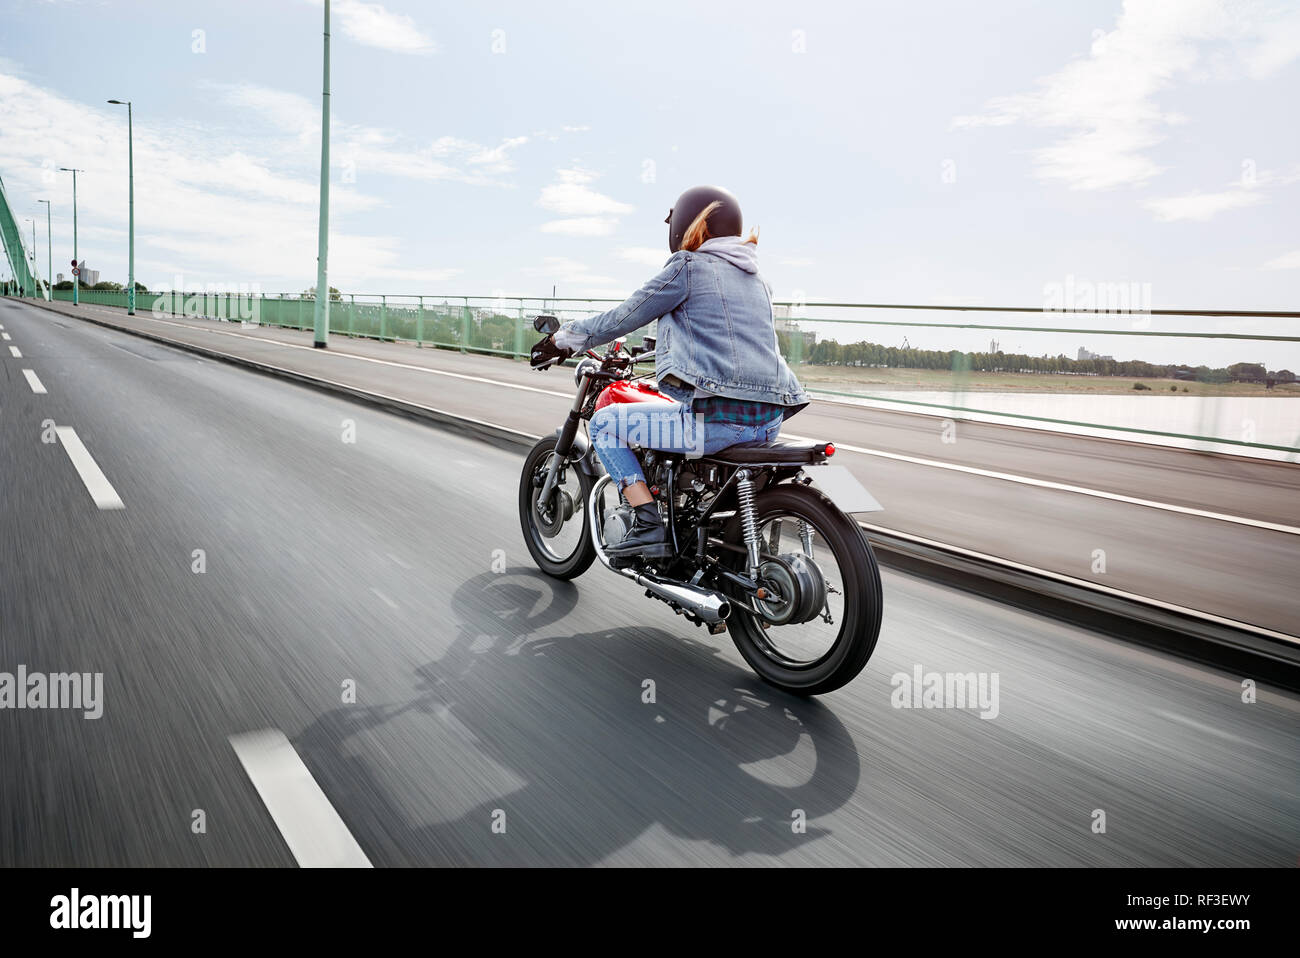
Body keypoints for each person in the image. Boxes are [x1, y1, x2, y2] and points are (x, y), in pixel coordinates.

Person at [547, 185, 810, 558]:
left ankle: (647, 524)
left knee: (606, 422)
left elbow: (623, 317)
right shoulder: (757, 280)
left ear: (690, 224)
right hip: (769, 420)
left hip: (718, 422)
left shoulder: (688, 267)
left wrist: (563, 339)